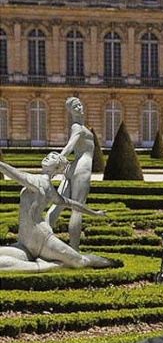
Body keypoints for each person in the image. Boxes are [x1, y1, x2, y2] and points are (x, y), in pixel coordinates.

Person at [0, 152, 113, 272]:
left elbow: (10, 171)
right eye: (48, 156)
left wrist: (94, 213)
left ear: (57, 168)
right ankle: (47, 266)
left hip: (41, 238)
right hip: (25, 240)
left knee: (80, 261)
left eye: (53, 157)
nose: (47, 157)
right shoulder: (48, 188)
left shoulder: (37, 181)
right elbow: (72, 203)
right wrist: (93, 213)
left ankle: (112, 262)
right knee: (79, 261)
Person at [46, 96, 94, 251]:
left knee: (57, 205)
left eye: (80, 105)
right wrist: (58, 159)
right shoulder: (77, 127)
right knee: (77, 209)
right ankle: (74, 250)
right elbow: (70, 145)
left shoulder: (79, 126)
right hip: (82, 168)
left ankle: (43, 240)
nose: (80, 108)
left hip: (73, 167)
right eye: (75, 107)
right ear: (70, 111)